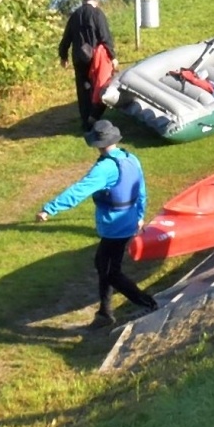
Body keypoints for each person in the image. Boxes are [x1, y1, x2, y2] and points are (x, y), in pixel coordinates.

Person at [36, 119, 157, 329]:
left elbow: (79, 191)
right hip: (128, 220)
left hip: (114, 227)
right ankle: (104, 313)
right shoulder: (130, 158)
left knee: (110, 272)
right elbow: (141, 190)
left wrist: (50, 209)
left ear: (97, 144)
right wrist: (140, 215)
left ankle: (147, 303)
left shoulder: (105, 168)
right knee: (103, 264)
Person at [58, 0, 117, 133]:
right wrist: (112, 56)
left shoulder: (74, 15)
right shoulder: (97, 13)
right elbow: (104, 36)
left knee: (83, 89)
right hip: (96, 58)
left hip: (79, 58)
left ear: (83, 2)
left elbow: (66, 38)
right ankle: (94, 117)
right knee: (100, 86)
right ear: (96, 1)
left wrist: (63, 56)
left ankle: (86, 121)